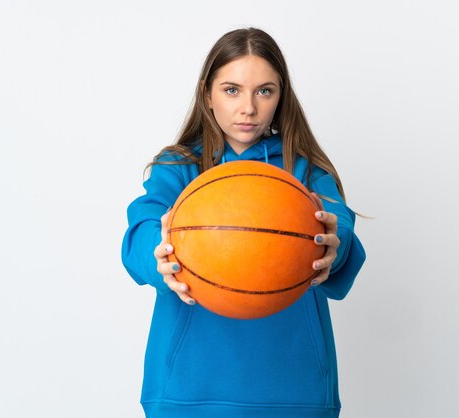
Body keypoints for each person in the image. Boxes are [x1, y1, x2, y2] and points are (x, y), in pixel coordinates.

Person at [121, 27, 366, 418]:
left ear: (281, 96)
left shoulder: (307, 173)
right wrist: (160, 249)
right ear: (208, 93)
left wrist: (334, 248)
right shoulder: (178, 167)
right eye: (232, 90)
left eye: (264, 91)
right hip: (187, 390)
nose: (248, 108)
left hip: (296, 390)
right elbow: (139, 237)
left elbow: (343, 233)